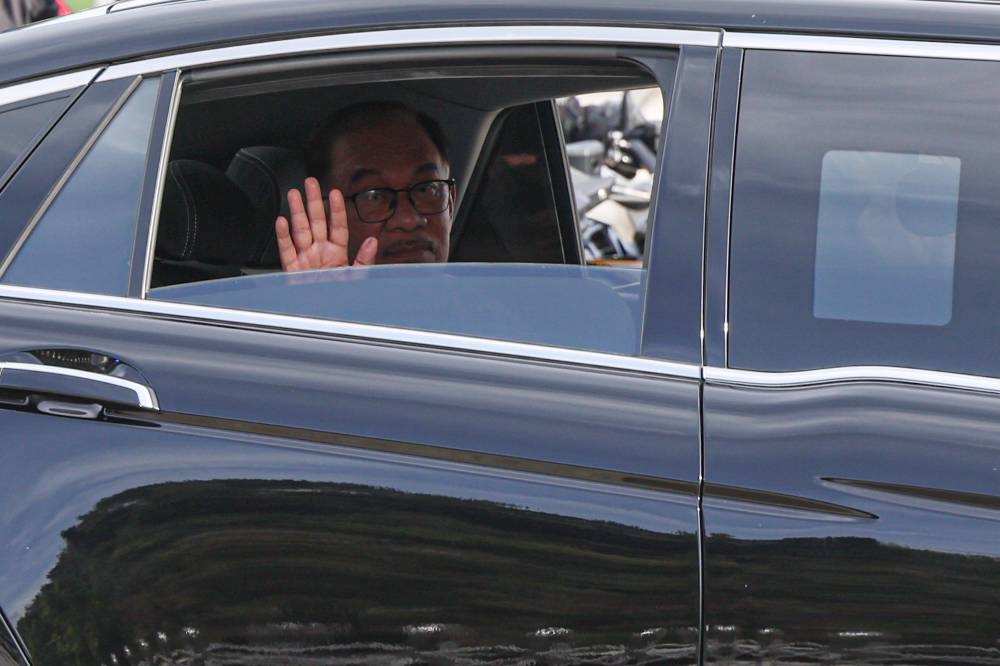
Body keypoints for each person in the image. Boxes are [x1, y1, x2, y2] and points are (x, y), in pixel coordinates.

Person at [275, 101, 456, 271]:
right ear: (324, 216)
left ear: (451, 203)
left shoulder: (481, 297)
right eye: (374, 196)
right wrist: (326, 300)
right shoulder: (314, 301)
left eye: (426, 189)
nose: (408, 220)